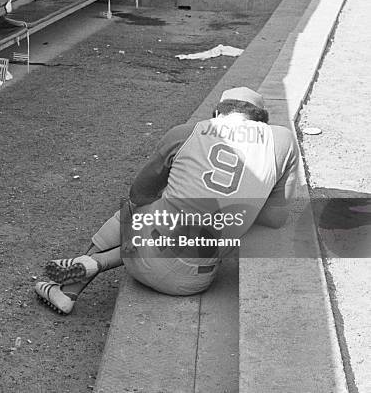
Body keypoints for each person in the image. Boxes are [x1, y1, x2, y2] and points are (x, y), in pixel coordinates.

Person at [35, 87, 300, 314]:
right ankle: (96, 264)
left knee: (136, 210)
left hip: (145, 257)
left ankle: (73, 285)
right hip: (195, 279)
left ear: (218, 114)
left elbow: (138, 195)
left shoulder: (186, 133)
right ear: (261, 121)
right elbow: (275, 219)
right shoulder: (283, 141)